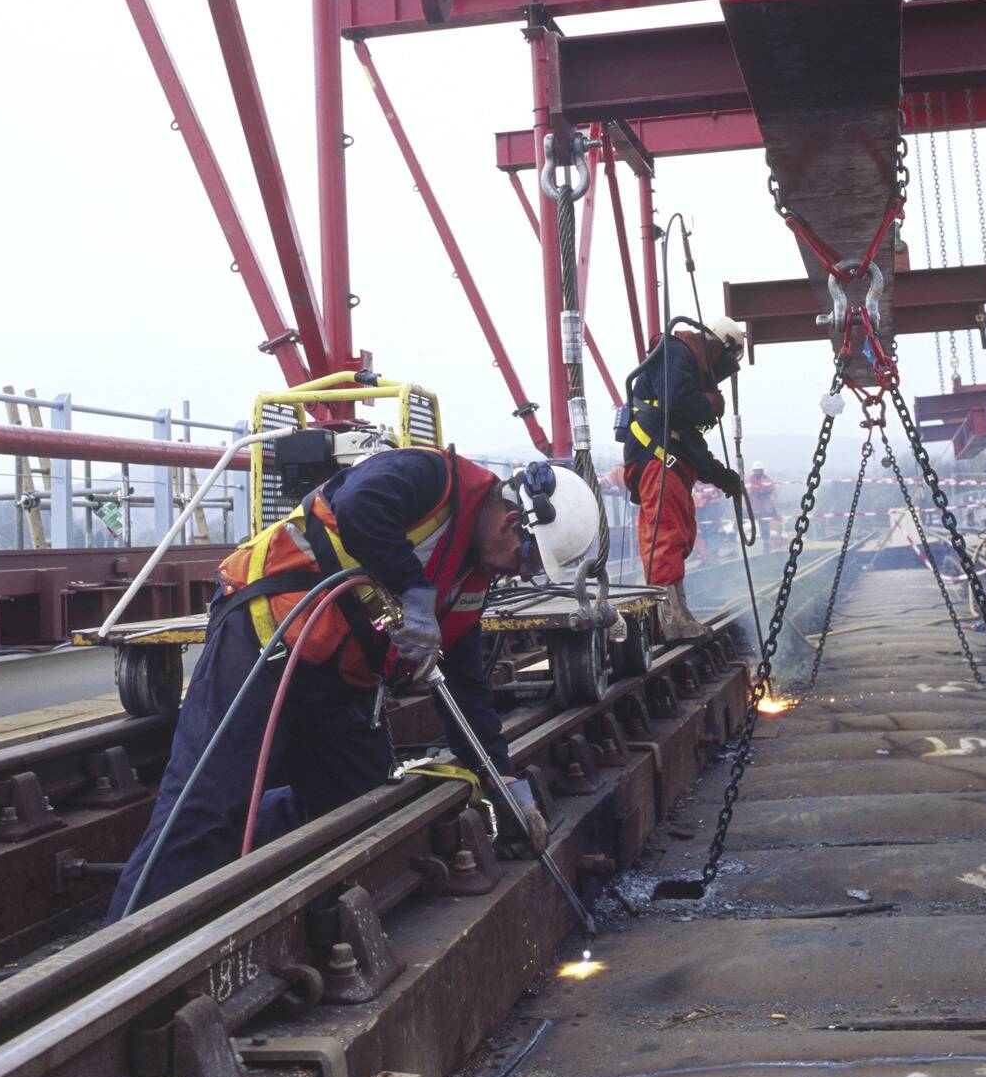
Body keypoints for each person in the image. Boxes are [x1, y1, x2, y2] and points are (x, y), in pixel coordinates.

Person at [106, 439, 598, 919]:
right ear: (513, 523)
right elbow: (362, 506)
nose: (519, 574)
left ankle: (238, 849)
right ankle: (127, 955)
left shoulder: (474, 574)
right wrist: (414, 591)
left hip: (342, 673)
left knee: (356, 804)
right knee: (207, 801)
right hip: (269, 634)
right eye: (527, 561)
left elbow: (465, 686)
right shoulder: (430, 477)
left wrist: (503, 780)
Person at [617, 315, 747, 640]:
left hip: (667, 460)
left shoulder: (688, 367)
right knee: (667, 535)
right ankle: (670, 620)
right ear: (718, 347)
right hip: (658, 459)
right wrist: (710, 404)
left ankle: (671, 615)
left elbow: (692, 441)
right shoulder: (677, 353)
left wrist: (722, 477)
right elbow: (679, 405)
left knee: (679, 533)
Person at [749, 464, 781, 550]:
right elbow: (748, 490)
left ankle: (777, 541)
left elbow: (773, 490)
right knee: (762, 525)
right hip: (757, 507)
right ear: (754, 471)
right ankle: (766, 542)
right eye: (756, 470)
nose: (758, 472)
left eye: (759, 470)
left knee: (774, 523)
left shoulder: (767, 479)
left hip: (768, 507)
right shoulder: (750, 480)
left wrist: (767, 493)